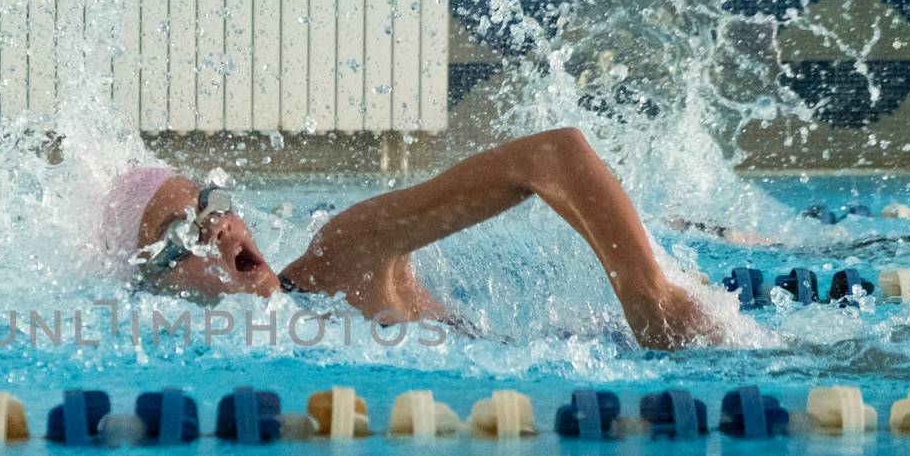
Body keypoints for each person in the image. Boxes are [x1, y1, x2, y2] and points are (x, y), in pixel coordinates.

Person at [100, 127, 722, 350]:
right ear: (156, 286)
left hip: (701, 348)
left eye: (212, 204)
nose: (219, 227)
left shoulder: (342, 257)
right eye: (181, 233)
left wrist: (653, 301)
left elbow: (553, 155)